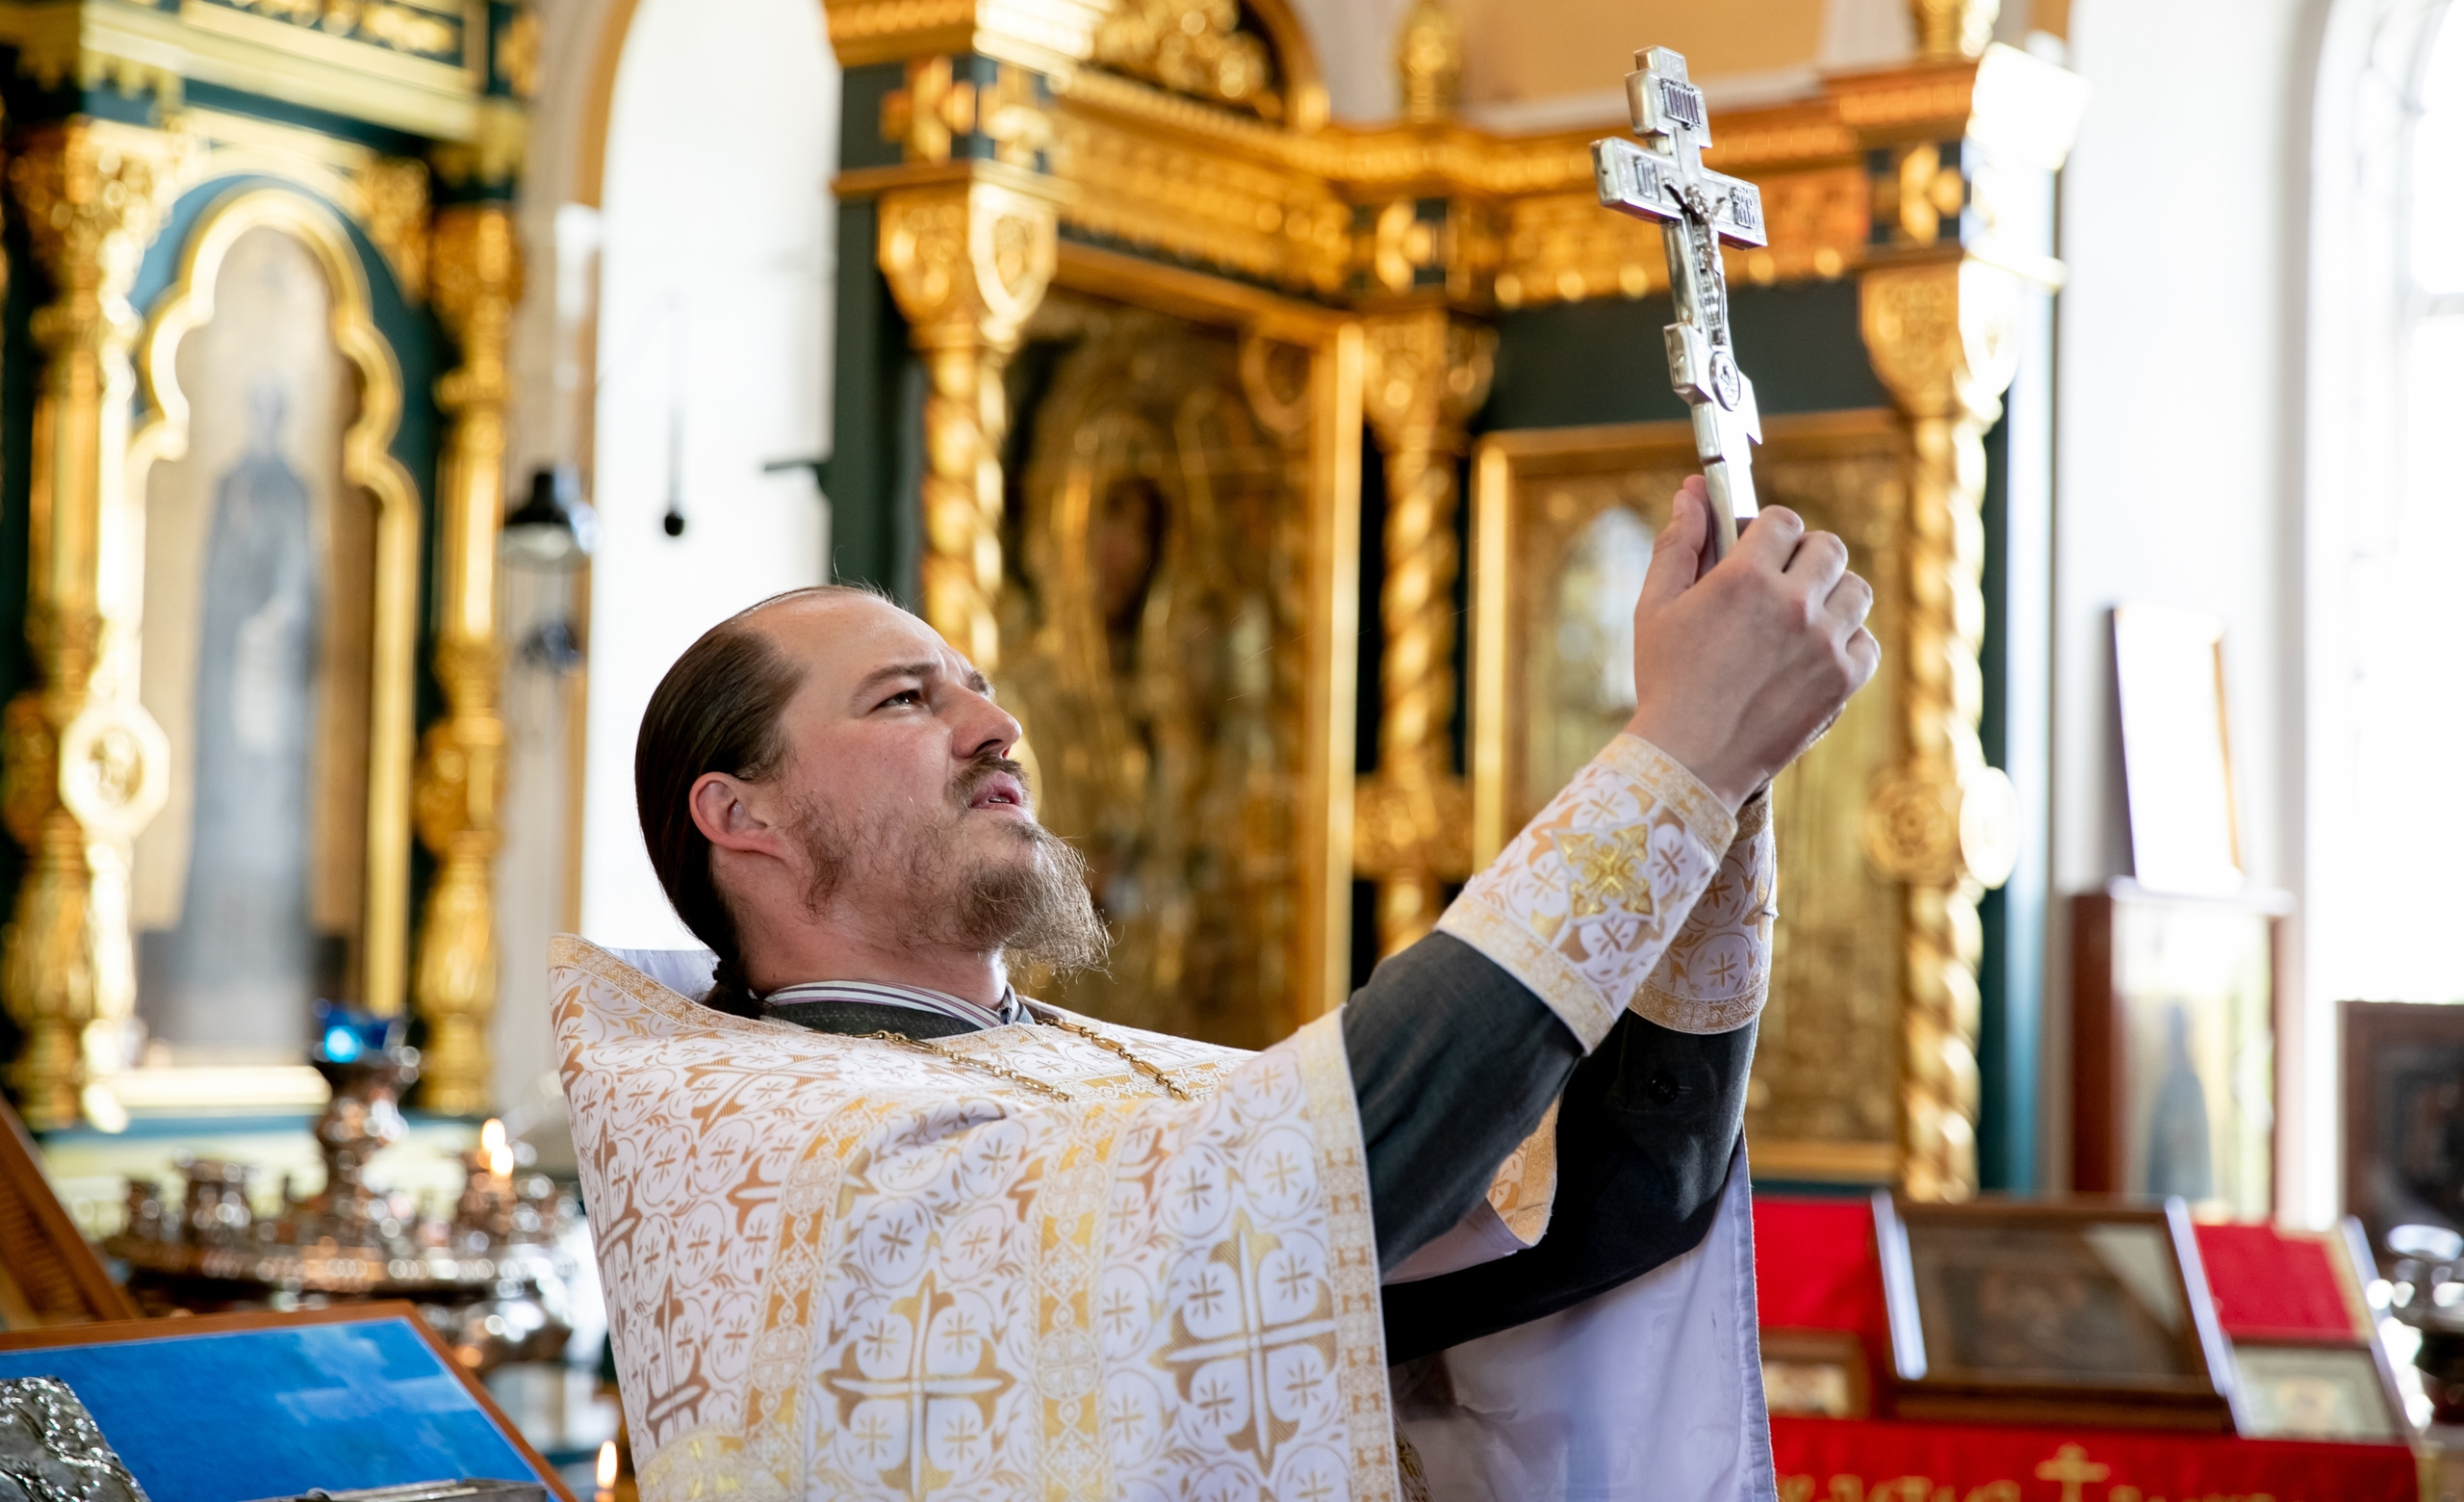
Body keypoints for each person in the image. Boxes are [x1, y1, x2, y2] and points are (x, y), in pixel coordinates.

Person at [552, 477, 1876, 1502]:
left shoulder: (1116, 1075)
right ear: (744, 815)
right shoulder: (745, 1131)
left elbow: (1604, 1220)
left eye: (982, 688)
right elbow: (1309, 1178)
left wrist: (1723, 783)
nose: (993, 725)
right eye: (906, 698)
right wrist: (1675, 755)